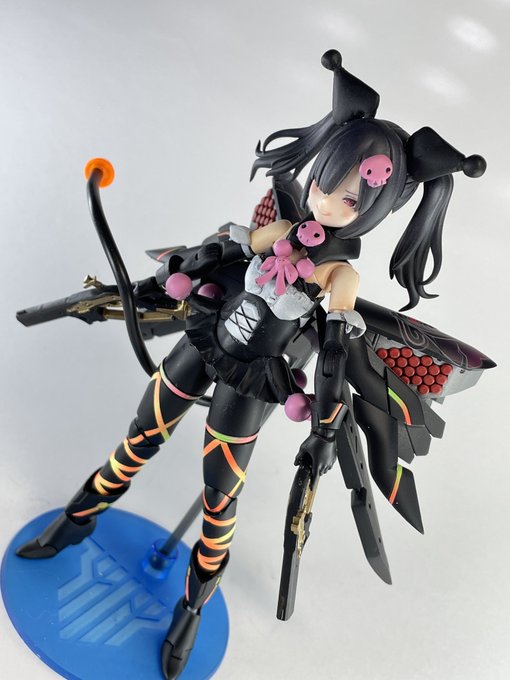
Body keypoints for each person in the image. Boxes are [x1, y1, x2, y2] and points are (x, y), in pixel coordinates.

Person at [16, 50, 486, 679]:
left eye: (351, 198)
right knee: (136, 440)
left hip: (254, 380)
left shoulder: (339, 277)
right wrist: (175, 272)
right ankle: (76, 522)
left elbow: (336, 353)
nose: (328, 200)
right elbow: (220, 252)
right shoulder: (280, 230)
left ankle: (191, 610)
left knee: (219, 500)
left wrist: (325, 429)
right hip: (206, 339)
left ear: (379, 207)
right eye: (326, 182)